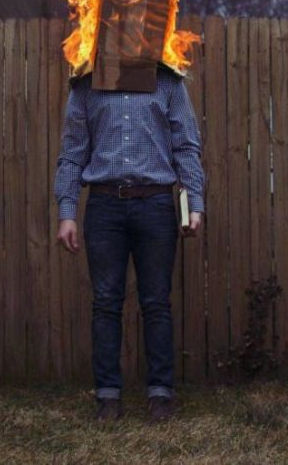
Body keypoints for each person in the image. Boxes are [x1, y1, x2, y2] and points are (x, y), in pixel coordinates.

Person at [54, 62, 205, 423]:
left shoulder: (168, 83)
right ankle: (107, 397)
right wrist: (67, 211)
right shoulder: (85, 86)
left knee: (157, 302)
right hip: (104, 206)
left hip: (155, 204)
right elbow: (72, 153)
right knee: (106, 303)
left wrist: (195, 203)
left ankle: (161, 394)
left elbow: (186, 146)